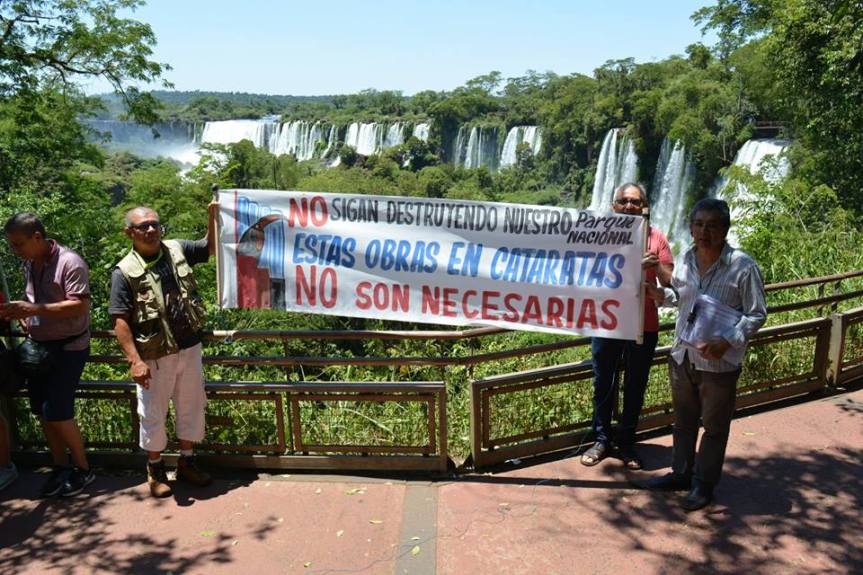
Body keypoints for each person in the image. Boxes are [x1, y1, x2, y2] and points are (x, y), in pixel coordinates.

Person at [639, 198, 767, 511]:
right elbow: (681, 296)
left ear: (725, 229)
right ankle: (681, 474)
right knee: (683, 422)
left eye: (712, 226)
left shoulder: (744, 267)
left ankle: (703, 485)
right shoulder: (686, 258)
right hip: (683, 355)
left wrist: (727, 341)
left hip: (718, 362)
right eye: (699, 225)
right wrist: (660, 295)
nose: (704, 232)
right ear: (691, 228)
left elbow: (757, 314)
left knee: (714, 427)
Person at [110, 203, 217, 498]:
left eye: (154, 224)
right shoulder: (123, 271)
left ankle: (187, 462)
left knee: (191, 405)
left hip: (189, 345)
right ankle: (155, 469)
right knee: (153, 412)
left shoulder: (176, 249)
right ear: (129, 232)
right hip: (154, 354)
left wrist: (213, 215)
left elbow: (210, 247)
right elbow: (120, 320)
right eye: (143, 226)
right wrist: (134, 361)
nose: (151, 230)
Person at [0, 213, 95, 497]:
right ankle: (61, 466)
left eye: (19, 244)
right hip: (39, 347)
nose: (15, 250)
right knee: (43, 411)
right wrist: (24, 314)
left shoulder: (70, 262)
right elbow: (34, 300)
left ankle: (83, 469)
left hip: (68, 348)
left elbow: (80, 306)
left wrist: (35, 310)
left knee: (59, 411)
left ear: (37, 237)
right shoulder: (31, 263)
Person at [581, 183, 673, 469]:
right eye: (624, 201)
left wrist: (654, 266)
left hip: (644, 324)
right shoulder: (600, 236)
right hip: (607, 322)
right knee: (603, 382)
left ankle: (626, 442)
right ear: (614, 206)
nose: (630, 206)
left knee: (635, 385)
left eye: (636, 202)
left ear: (645, 206)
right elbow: (586, 273)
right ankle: (601, 440)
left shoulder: (656, 238)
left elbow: (669, 280)